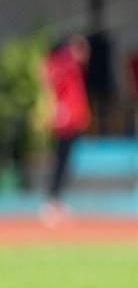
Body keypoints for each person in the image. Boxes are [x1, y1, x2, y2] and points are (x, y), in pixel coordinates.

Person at [40, 36, 91, 226]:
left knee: (65, 162)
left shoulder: (74, 68)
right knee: (60, 161)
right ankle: (51, 201)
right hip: (65, 120)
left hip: (73, 120)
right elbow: (47, 74)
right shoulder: (63, 63)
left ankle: (56, 200)